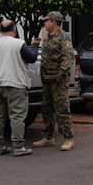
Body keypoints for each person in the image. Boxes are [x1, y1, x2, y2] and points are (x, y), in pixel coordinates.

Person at [0, 19, 39, 156]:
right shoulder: (19, 44)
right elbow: (32, 58)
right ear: (15, 30)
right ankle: (18, 146)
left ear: (0, 31)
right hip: (15, 83)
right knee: (17, 116)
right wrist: (34, 45)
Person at [32, 11, 75, 151]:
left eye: (47, 21)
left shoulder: (63, 37)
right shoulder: (47, 37)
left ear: (54, 22)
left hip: (58, 80)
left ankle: (68, 138)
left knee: (62, 109)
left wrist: (60, 75)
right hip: (46, 79)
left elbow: (68, 58)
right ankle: (48, 137)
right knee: (46, 108)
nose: (45, 23)